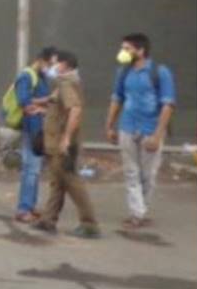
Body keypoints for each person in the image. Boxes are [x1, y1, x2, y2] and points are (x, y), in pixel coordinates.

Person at [105, 33, 177, 228]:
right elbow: (117, 99)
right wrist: (109, 125)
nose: (123, 52)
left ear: (140, 51)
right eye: (123, 48)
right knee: (131, 172)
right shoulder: (123, 72)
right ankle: (137, 213)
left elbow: (168, 105)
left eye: (127, 49)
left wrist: (157, 135)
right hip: (127, 128)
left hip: (150, 130)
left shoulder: (160, 72)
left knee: (148, 175)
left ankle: (140, 210)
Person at [35, 50, 101, 237]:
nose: (52, 66)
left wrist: (66, 138)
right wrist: (38, 105)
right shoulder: (66, 83)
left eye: (55, 63)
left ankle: (89, 224)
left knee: (72, 182)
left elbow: (75, 110)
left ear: (65, 65)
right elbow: (55, 101)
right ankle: (48, 220)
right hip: (55, 141)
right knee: (57, 182)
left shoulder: (67, 83)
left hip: (61, 143)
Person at [12, 47, 56, 224]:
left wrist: (42, 106)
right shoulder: (26, 76)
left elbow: (35, 104)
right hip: (31, 128)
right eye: (50, 64)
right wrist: (46, 100)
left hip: (39, 128)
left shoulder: (41, 77)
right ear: (41, 60)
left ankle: (30, 206)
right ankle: (24, 209)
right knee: (31, 169)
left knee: (35, 170)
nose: (51, 68)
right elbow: (24, 101)